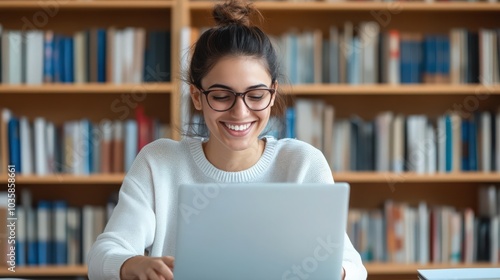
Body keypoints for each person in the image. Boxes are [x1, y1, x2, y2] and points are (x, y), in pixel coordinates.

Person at [87, 0, 367, 279]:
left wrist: (333, 272)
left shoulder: (302, 164)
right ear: (197, 96)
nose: (240, 112)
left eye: (256, 96)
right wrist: (131, 264)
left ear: (272, 94)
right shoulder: (159, 163)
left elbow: (353, 267)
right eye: (222, 96)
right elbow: (104, 254)